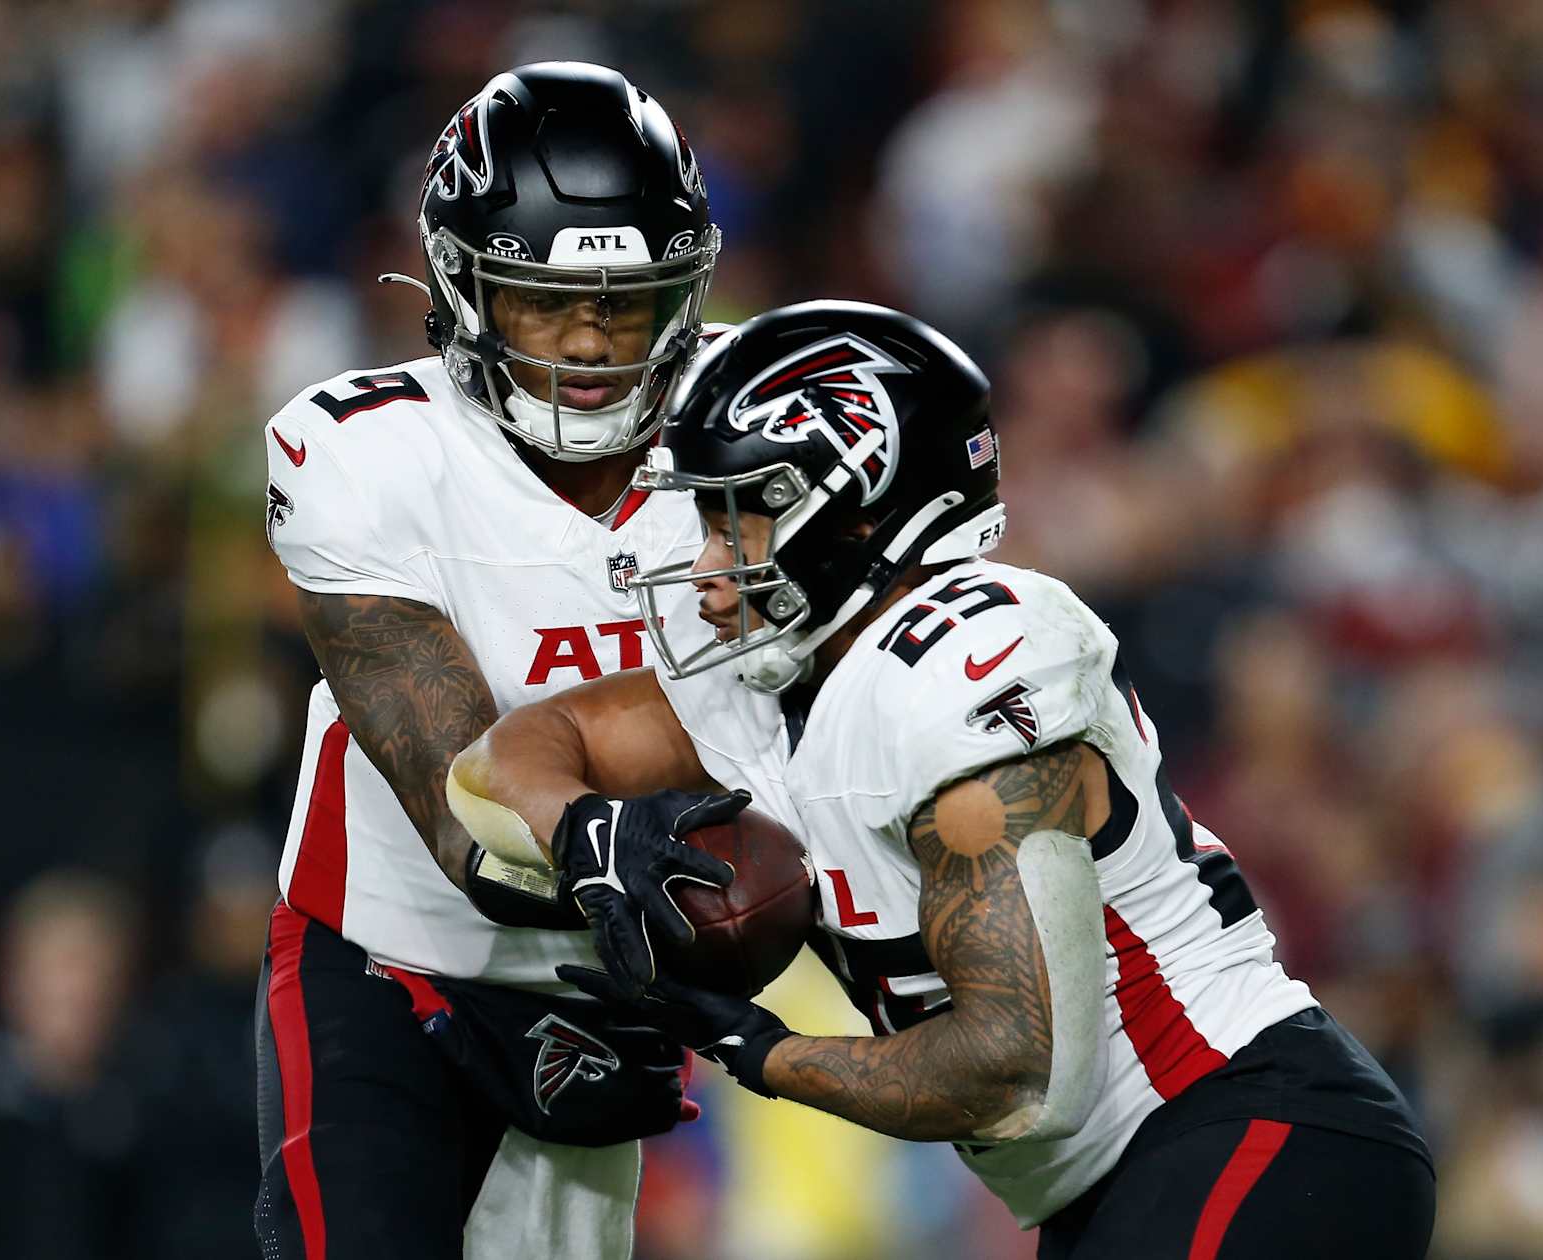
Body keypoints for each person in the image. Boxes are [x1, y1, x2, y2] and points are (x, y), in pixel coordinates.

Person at [452, 301, 1438, 1258]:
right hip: (1126, 1183)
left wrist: (764, 1049)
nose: (708, 568)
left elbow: (1016, 1070)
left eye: (739, 518)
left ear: (856, 506)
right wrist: (585, 833)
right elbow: (508, 758)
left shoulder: (966, 658)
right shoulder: (769, 692)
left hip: (1247, 1126)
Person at [254, 62, 741, 1260]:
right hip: (389, 962)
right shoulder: (362, 450)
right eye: (544, 301)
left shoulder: (752, 427)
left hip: (606, 981)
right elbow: (458, 796)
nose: (589, 341)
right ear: (463, 287)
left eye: (628, 301)